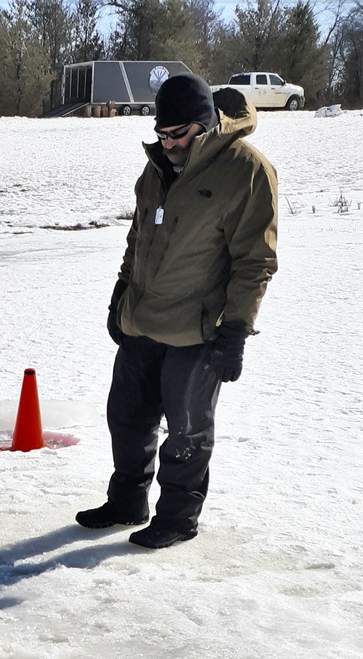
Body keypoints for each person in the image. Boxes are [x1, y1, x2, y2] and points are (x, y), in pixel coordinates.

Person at [76, 75, 278, 549]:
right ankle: (127, 501)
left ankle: (178, 517)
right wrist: (121, 294)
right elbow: (138, 237)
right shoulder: (156, 168)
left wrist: (237, 331)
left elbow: (256, 261)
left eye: (177, 135)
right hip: (143, 321)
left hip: (199, 330)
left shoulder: (245, 171)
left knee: (186, 431)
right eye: (161, 134)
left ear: (204, 125)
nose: (167, 144)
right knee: (125, 417)